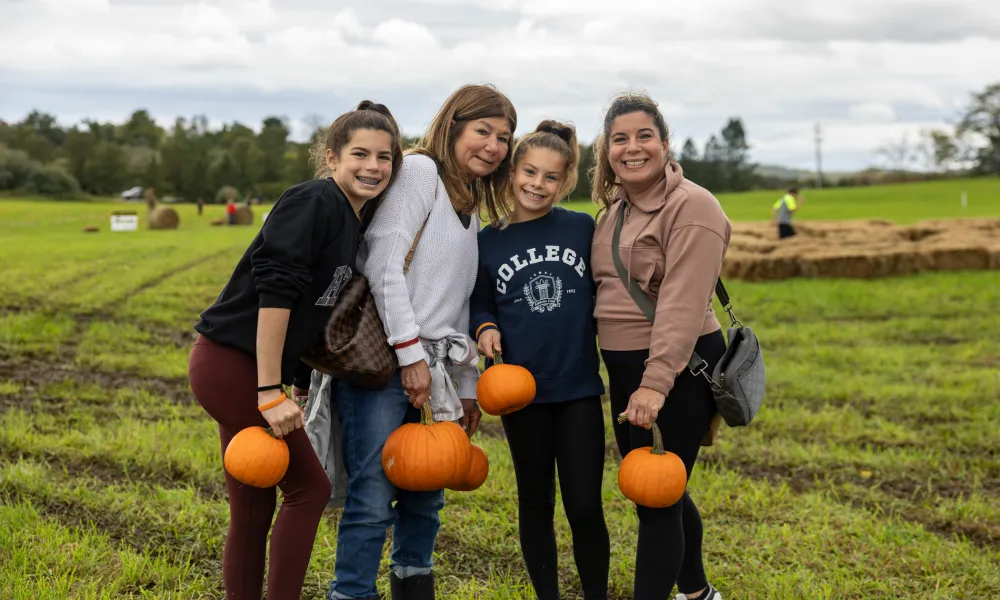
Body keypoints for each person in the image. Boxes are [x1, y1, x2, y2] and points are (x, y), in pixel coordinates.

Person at [187, 100, 404, 600]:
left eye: (384, 158)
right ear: (331, 158)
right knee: (310, 490)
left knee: (254, 505)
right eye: (360, 154)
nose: (373, 166)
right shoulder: (313, 201)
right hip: (231, 365)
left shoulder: (352, 221)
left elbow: (313, 314)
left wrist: (297, 383)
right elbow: (277, 294)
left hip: (246, 368)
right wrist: (268, 389)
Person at [326, 83, 517, 600]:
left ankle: (414, 589)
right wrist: (410, 356)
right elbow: (385, 266)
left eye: (503, 137)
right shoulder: (420, 173)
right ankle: (352, 593)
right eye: (483, 131)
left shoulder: (470, 203)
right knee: (371, 497)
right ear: (453, 125)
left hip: (434, 369)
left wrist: (466, 382)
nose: (494, 146)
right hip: (386, 364)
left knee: (426, 497)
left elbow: (454, 303)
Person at [589, 92, 731, 600]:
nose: (633, 148)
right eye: (620, 139)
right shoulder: (614, 212)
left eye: (644, 136)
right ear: (607, 151)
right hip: (627, 368)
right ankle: (698, 593)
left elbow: (682, 305)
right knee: (655, 489)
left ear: (665, 143)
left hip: (677, 366)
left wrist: (654, 385)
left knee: (657, 498)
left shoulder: (692, 206)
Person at [470, 120, 610, 599]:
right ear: (512, 172)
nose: (538, 184)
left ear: (565, 180)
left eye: (551, 177)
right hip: (520, 391)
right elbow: (480, 301)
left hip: (577, 388)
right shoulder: (488, 239)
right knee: (535, 500)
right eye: (529, 171)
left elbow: (607, 288)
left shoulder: (580, 228)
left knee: (585, 504)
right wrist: (485, 327)